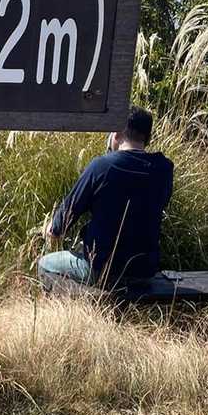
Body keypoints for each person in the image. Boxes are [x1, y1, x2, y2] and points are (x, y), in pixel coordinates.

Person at [38, 106, 173, 291]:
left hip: (103, 271)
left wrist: (51, 230)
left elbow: (58, 226)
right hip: (145, 271)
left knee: (45, 264)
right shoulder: (164, 169)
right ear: (147, 137)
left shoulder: (101, 166)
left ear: (116, 132)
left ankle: (74, 305)